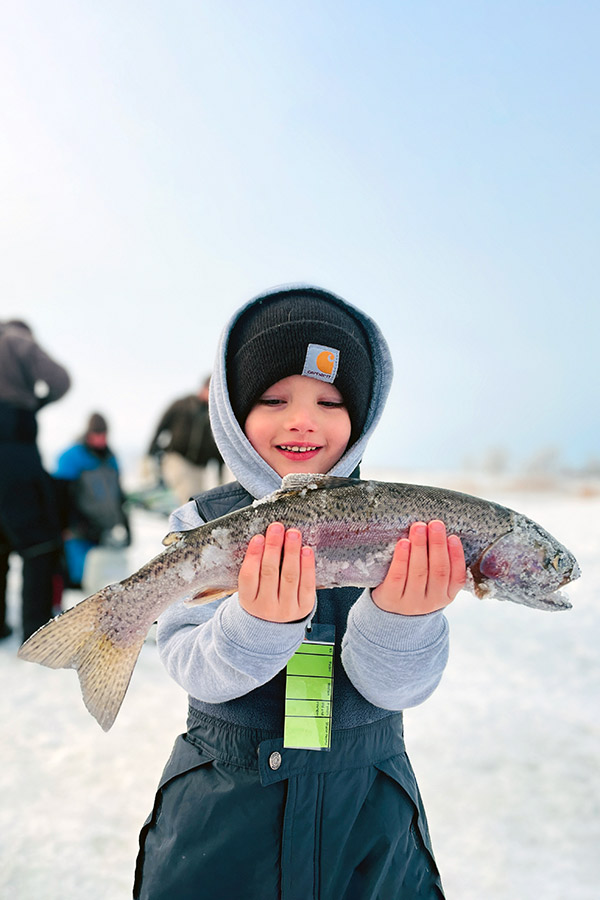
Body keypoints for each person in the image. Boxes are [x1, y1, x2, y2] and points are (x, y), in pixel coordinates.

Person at [134, 286, 466, 900]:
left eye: (330, 400)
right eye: (274, 398)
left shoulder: (401, 525)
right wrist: (253, 624)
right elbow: (190, 666)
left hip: (366, 815)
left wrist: (402, 617)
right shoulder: (200, 524)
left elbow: (401, 689)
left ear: (360, 415)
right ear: (232, 411)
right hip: (225, 810)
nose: (303, 419)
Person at [0, 319, 70, 641]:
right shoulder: (17, 341)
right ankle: (37, 631)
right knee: (39, 542)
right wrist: (35, 402)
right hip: (14, 448)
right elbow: (60, 381)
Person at [54, 413, 130, 589]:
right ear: (88, 433)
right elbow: (60, 496)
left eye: (104, 434)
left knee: (103, 580)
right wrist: (70, 524)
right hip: (78, 532)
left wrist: (125, 523)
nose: (100, 439)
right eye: (97, 434)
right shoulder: (71, 457)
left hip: (105, 530)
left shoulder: (111, 459)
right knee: (78, 579)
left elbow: (118, 495)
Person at [147, 376, 226, 504]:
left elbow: (218, 446)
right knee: (190, 499)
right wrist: (149, 454)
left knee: (199, 500)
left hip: (199, 468)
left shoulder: (215, 414)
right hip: (178, 460)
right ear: (204, 389)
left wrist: (220, 476)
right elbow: (161, 426)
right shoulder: (182, 405)